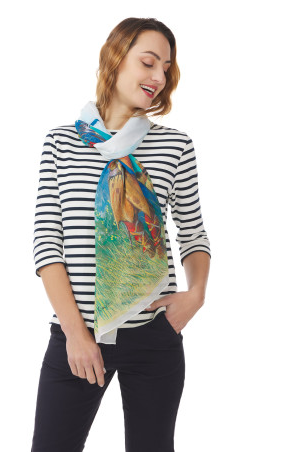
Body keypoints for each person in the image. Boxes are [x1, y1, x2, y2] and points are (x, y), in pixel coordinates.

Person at [30, 17, 211, 452]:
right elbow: (47, 243)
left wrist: (196, 295)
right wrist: (76, 334)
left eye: (165, 67)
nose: (158, 77)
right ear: (115, 58)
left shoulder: (175, 146)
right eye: (148, 62)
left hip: (154, 336)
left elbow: (193, 233)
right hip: (76, 335)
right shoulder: (61, 143)